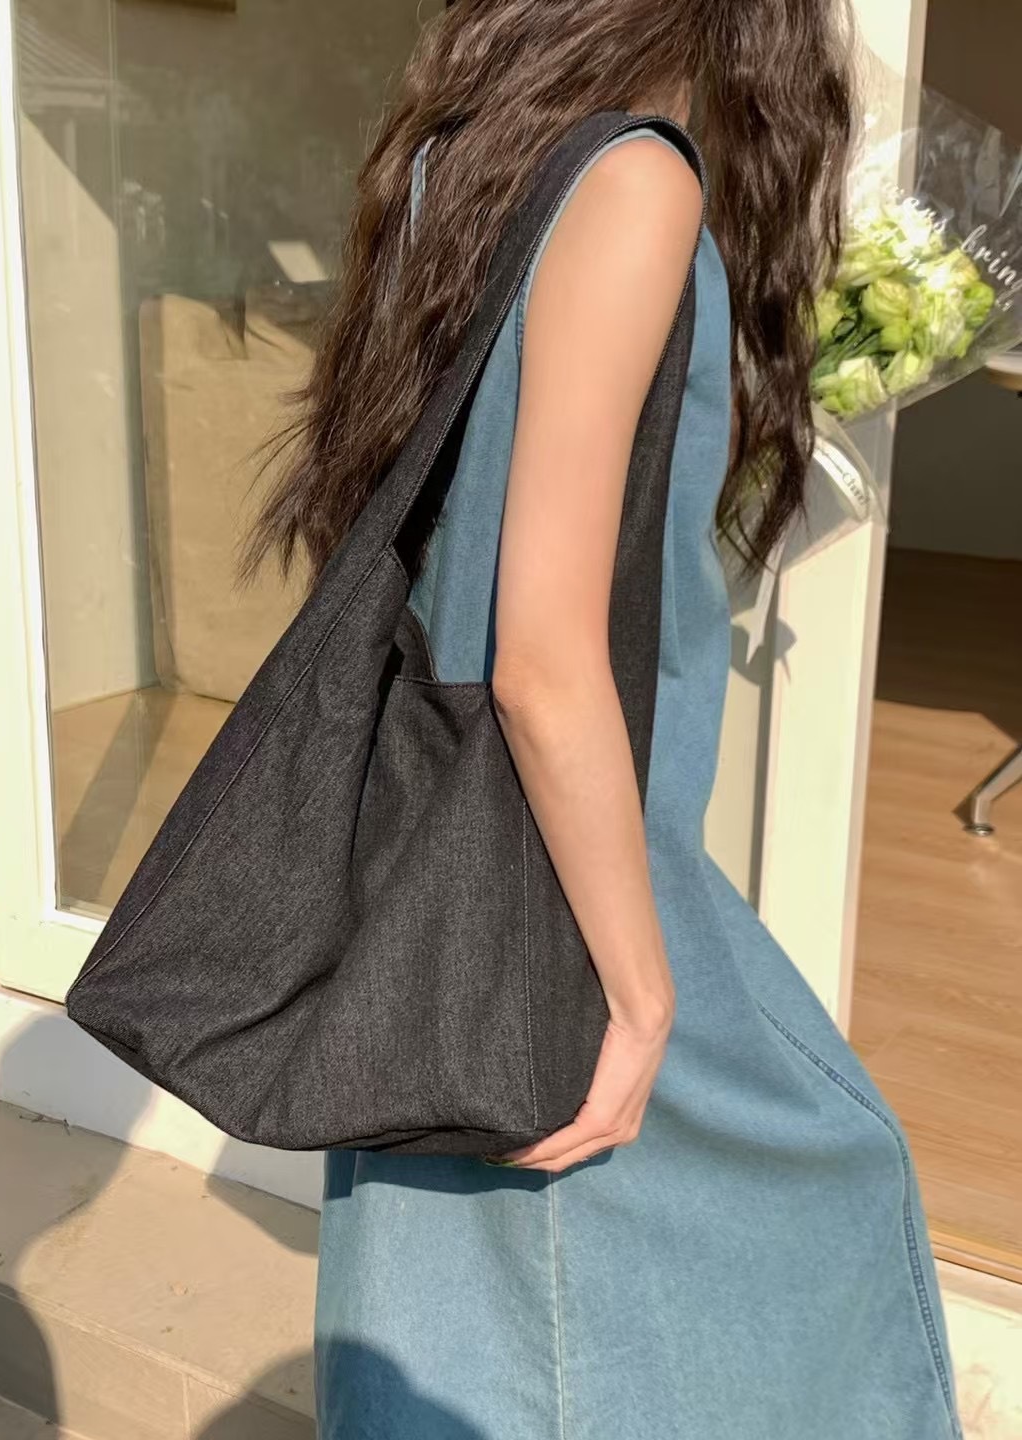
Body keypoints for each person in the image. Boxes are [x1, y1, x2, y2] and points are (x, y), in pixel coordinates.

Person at [246, 3, 963, 1436]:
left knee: (471, 1299)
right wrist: (642, 991)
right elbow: (544, 657)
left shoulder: (455, 164)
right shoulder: (631, 180)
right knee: (829, 1192)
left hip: (444, 858)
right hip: (573, 870)